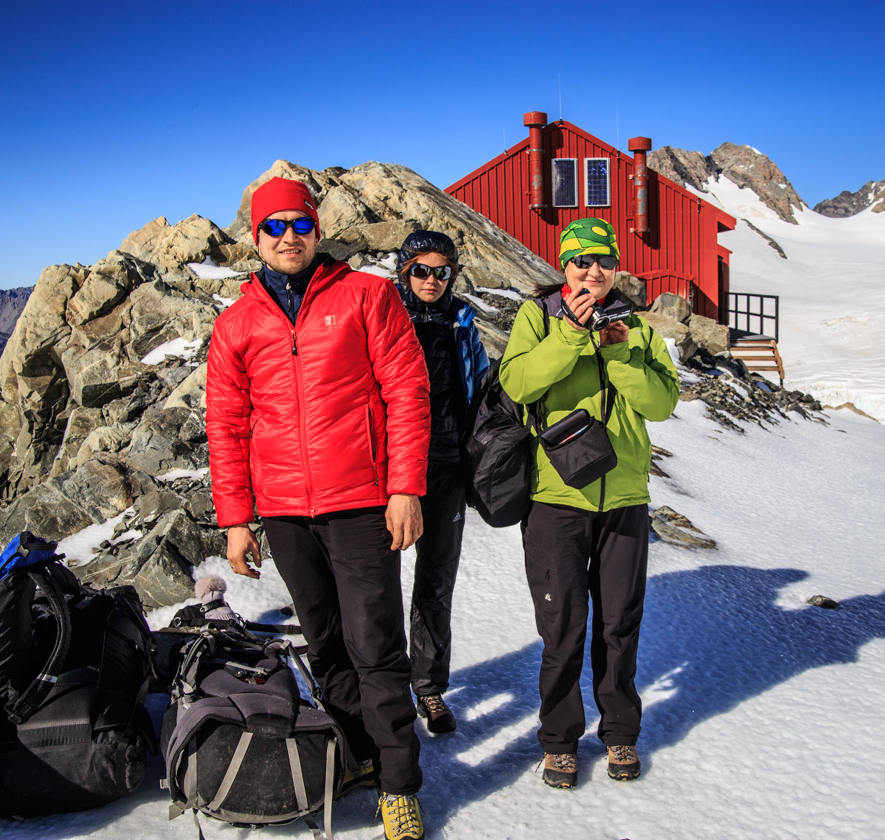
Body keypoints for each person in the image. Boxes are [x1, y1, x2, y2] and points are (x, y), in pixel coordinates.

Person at [206, 176, 430, 840]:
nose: (288, 238)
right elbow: (227, 426)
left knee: (375, 647)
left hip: (361, 500)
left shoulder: (367, 296)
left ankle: (399, 783)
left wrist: (405, 487)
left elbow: (408, 393)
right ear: (257, 237)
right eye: (273, 227)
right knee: (327, 645)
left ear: (317, 229)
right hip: (282, 510)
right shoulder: (236, 323)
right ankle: (356, 758)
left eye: (298, 224)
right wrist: (236, 519)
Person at [498, 218, 679, 789]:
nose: (591, 271)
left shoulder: (636, 326)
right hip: (557, 499)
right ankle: (559, 740)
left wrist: (620, 353)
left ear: (616, 266)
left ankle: (620, 732)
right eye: (579, 261)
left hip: (624, 497)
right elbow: (518, 384)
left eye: (602, 260)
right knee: (563, 626)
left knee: (621, 623)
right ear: (563, 266)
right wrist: (572, 338)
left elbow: (661, 404)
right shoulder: (538, 316)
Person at [393, 230, 489, 735]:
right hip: (387, 473)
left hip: (448, 466)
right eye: (421, 270)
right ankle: (385, 686)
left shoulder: (463, 322)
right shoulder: (384, 317)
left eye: (442, 271)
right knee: (378, 584)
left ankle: (428, 688)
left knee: (436, 581)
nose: (432, 280)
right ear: (404, 271)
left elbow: (479, 384)